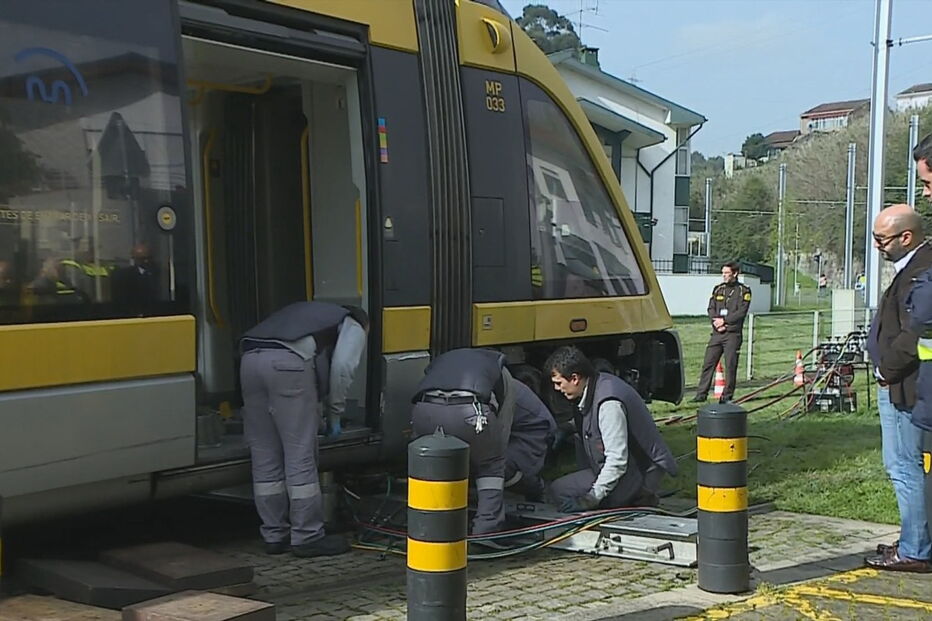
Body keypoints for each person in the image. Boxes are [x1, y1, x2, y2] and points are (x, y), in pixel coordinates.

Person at [238, 301, 368, 557]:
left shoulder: (307, 314)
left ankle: (274, 534)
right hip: (287, 366)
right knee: (299, 454)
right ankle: (307, 536)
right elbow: (343, 368)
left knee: (265, 452)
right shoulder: (352, 322)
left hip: (249, 361)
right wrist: (334, 414)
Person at [410, 348, 554, 534]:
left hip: (423, 409)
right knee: (491, 464)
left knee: (432, 462)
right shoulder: (504, 379)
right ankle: (487, 528)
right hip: (470, 412)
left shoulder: (449, 363)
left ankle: (425, 525)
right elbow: (500, 434)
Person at [863, 201, 932, 573]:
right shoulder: (912, 268)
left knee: (903, 466)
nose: (877, 246)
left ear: (907, 237)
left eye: (882, 239)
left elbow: (915, 334)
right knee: (911, 468)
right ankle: (916, 538)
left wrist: (886, 369)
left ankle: (915, 549)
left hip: (905, 385)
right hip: (902, 382)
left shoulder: (922, 272)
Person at [546, 346, 676, 512]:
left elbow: (617, 461)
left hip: (637, 473)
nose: (557, 389)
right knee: (560, 490)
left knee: (561, 492)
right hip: (629, 469)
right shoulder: (598, 384)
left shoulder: (609, 404)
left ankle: (637, 499)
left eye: (559, 383)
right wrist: (567, 427)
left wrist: (590, 499)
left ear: (575, 378)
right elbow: (595, 421)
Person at [691, 262, 752, 403]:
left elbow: (741, 312)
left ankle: (727, 396)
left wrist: (724, 321)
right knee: (708, 363)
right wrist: (716, 322)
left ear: (735, 274)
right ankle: (701, 394)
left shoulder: (744, 291)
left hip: (732, 334)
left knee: (730, 365)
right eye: (723, 273)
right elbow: (711, 308)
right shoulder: (718, 289)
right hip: (717, 333)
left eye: (727, 273)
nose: (724, 276)